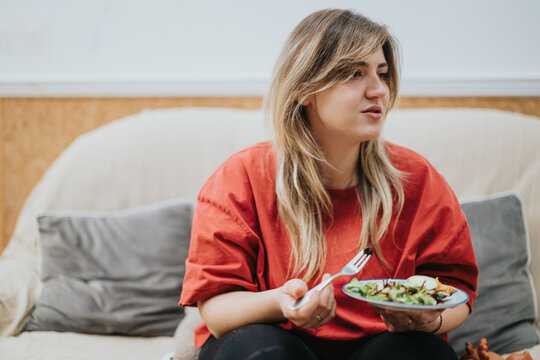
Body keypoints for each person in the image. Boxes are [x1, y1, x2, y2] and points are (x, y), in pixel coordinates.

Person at [179, 8, 478, 360]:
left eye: (382, 74)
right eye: (354, 73)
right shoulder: (239, 177)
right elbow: (215, 312)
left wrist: (428, 322)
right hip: (272, 340)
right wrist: (281, 303)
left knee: (422, 353)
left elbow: (457, 293)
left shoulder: (417, 178)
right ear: (305, 89)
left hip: (382, 345)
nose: (378, 90)